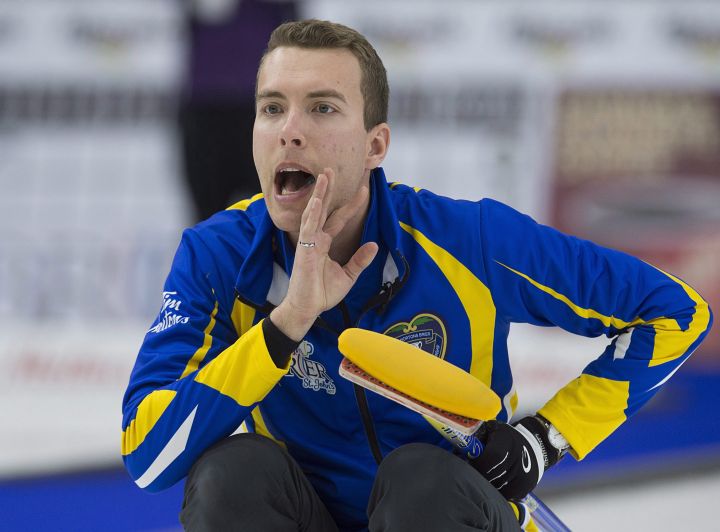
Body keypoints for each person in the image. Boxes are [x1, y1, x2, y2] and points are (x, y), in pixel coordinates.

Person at [121, 19, 713, 531]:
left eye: (322, 107)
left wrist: (547, 438)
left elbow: (674, 312)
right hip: (311, 516)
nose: (289, 130)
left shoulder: (470, 239)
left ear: (375, 144)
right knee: (233, 475)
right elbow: (149, 456)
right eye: (272, 108)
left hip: (438, 511)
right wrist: (284, 327)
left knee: (419, 479)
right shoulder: (217, 256)